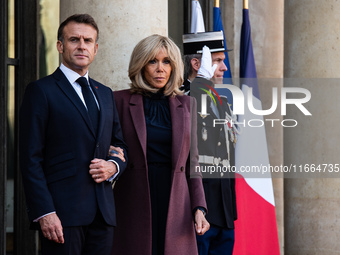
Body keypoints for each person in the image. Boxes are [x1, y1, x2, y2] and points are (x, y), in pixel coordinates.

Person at [19, 14, 128, 255]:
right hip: (61, 215)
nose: (81, 46)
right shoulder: (41, 91)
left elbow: (119, 144)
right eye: (74, 39)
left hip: (103, 214)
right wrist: (45, 212)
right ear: (60, 46)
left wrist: (113, 166)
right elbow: (30, 158)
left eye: (88, 41)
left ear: (96, 48)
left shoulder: (105, 94)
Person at [110, 34, 209, 255]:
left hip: (176, 200)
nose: (160, 69)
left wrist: (199, 207)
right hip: (133, 198)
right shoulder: (118, 101)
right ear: (141, 65)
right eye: (152, 61)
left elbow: (193, 164)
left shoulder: (187, 104)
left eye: (166, 62)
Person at [182, 31, 238, 255]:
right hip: (196, 213)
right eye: (218, 61)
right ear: (197, 64)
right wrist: (202, 82)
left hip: (224, 213)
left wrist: (230, 213)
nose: (225, 68)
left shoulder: (222, 102)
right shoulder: (182, 98)